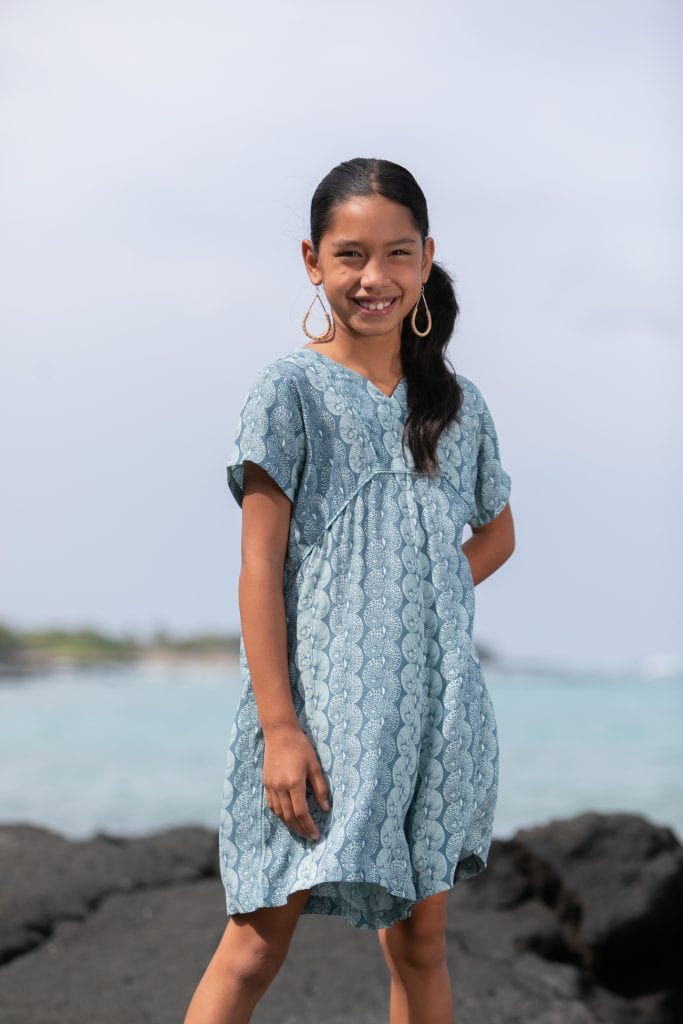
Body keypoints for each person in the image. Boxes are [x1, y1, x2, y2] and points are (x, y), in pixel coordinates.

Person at [184, 157, 515, 1024]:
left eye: (397, 254)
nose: (375, 279)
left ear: (426, 257)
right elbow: (259, 566)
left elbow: (497, 534)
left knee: (421, 946)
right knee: (253, 944)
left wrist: (418, 592)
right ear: (311, 260)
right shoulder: (288, 391)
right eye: (350, 256)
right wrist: (281, 728)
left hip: (434, 715)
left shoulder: (459, 404)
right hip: (318, 715)